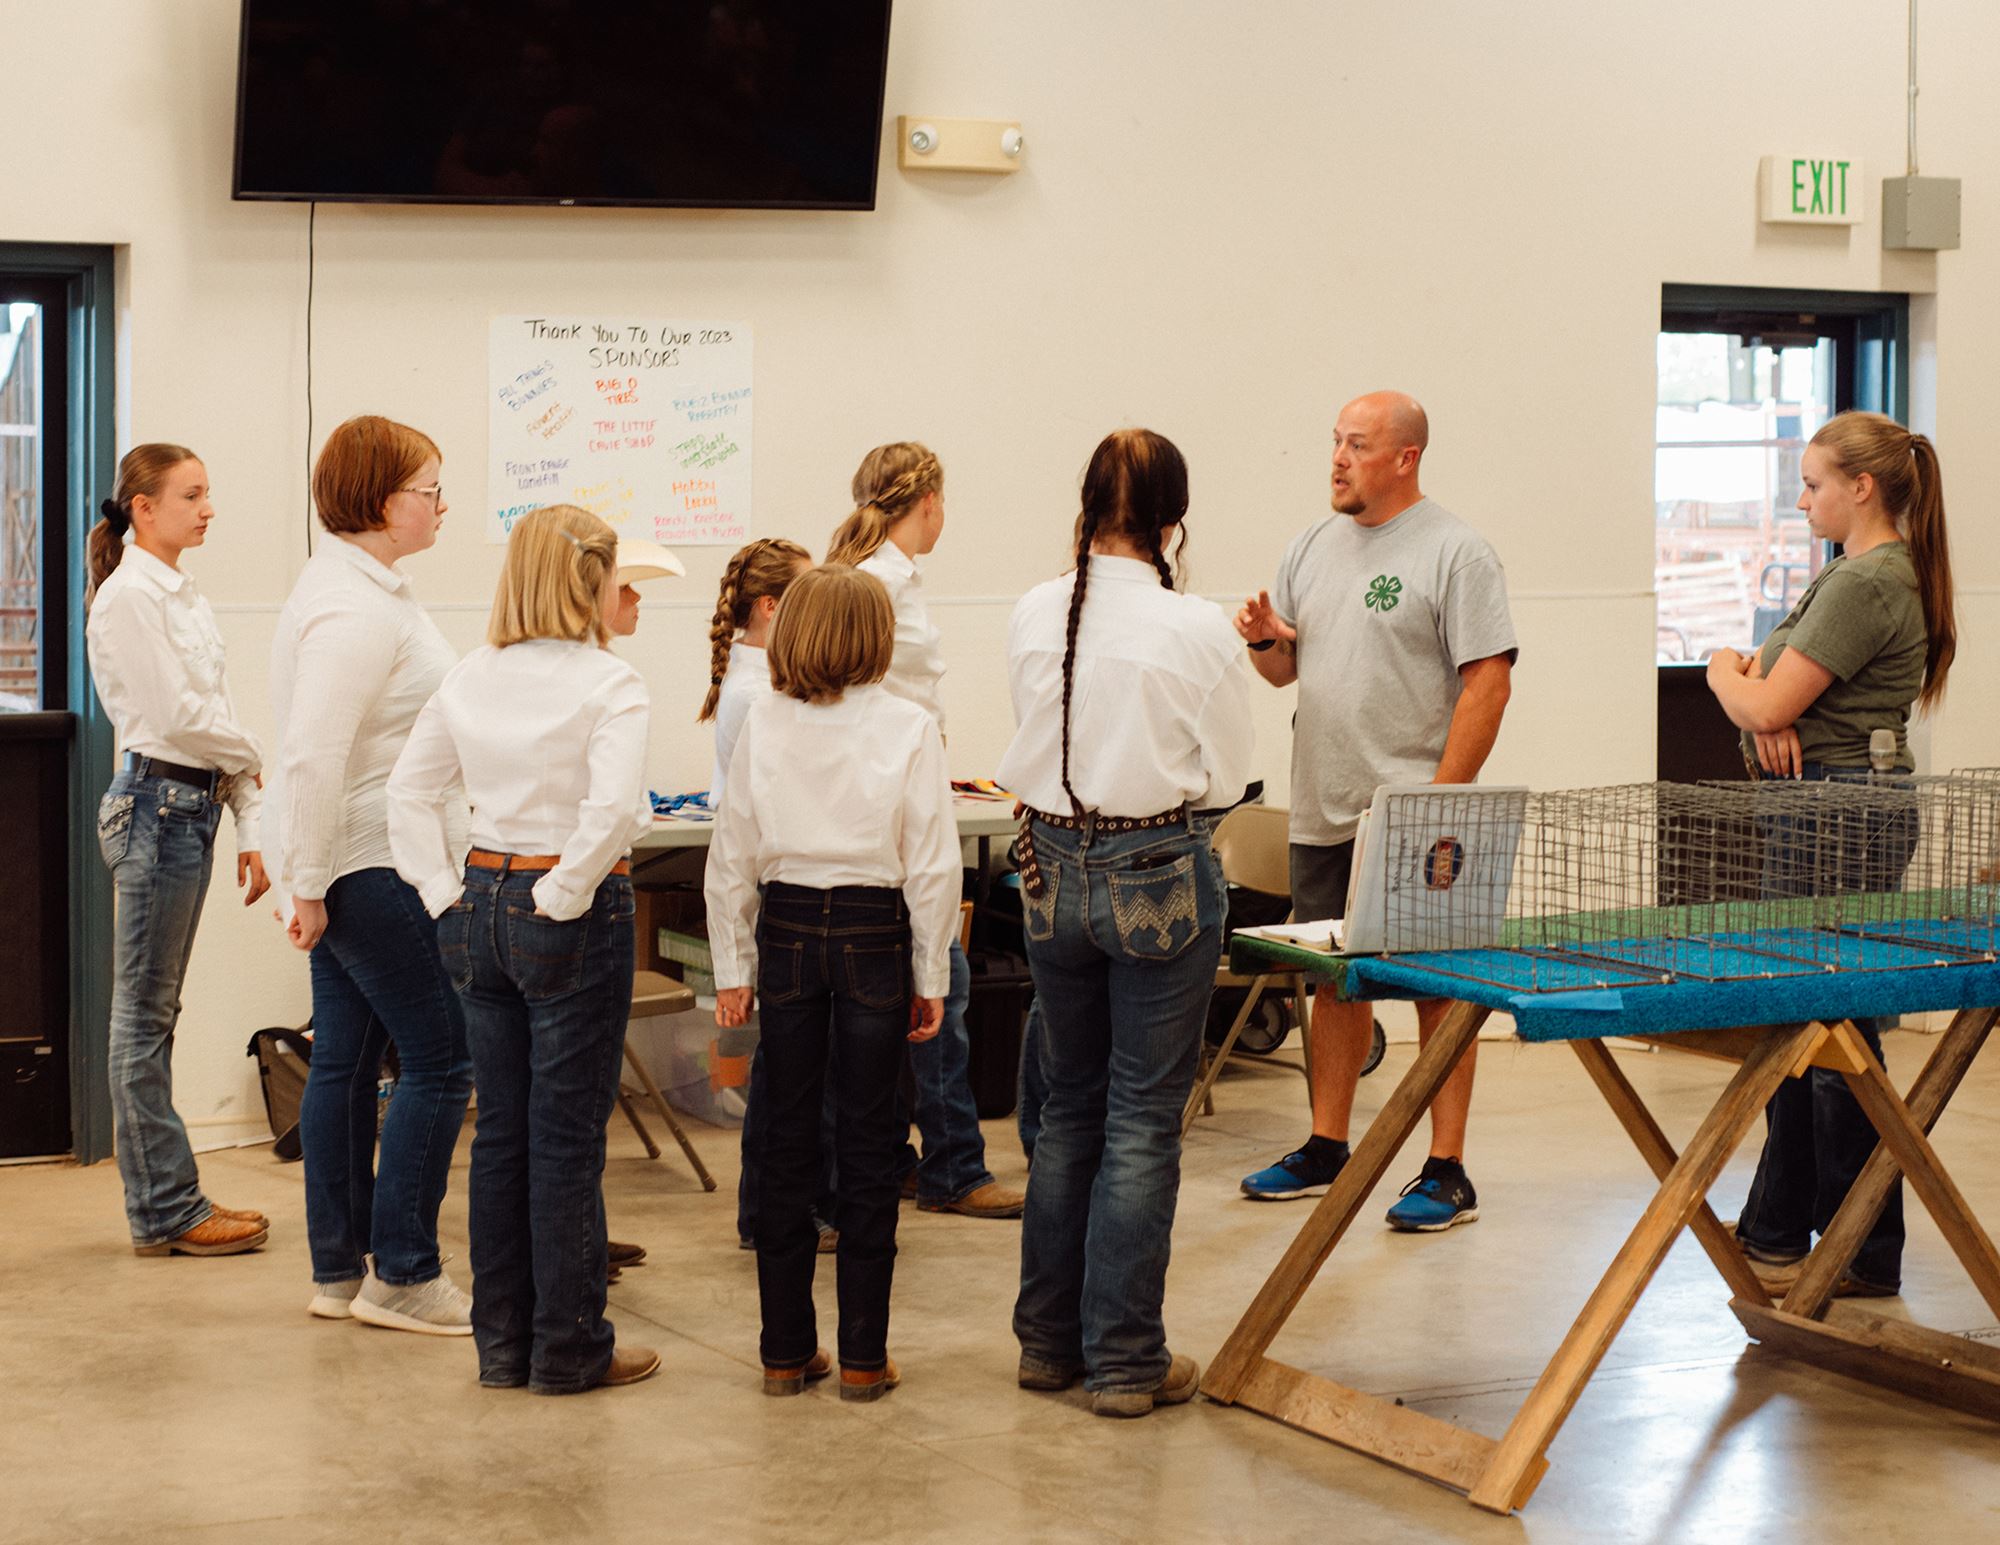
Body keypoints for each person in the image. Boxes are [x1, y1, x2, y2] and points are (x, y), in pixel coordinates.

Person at [999, 428, 1251, 1417]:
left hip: (1047, 869)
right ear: (1171, 519)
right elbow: (1226, 776)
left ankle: (1044, 1346)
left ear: (1085, 504)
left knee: (1066, 1112)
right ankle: (1123, 1360)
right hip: (1155, 870)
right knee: (1142, 1120)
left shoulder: (1031, 609)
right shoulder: (1195, 627)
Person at [387, 505, 658, 1394]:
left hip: (479, 902)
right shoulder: (609, 683)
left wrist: (441, 896)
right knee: (567, 1138)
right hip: (562, 909)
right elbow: (614, 812)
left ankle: (503, 1348)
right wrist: (563, 893)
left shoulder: (470, 674)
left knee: (502, 1134)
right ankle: (572, 1349)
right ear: (590, 581)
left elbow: (409, 794)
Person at [1236, 392, 1517, 1229]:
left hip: (1416, 816)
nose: (1337, 458)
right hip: (1324, 806)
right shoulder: (1311, 547)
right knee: (1335, 982)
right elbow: (1286, 672)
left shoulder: (1456, 552)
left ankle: (1447, 1166)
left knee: (1438, 984)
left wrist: (1441, 803)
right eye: (1334, 442)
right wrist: (1263, 639)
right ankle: (1328, 1144)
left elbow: (1489, 682)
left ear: (1405, 458)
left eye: (1357, 444)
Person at [1705, 410, 1955, 1298]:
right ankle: (1780, 1224)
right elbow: (1774, 694)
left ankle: (1859, 1244)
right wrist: (1764, 696)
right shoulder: (1846, 574)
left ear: (1863, 487)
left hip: (1839, 819)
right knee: (1800, 1019)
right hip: (1814, 808)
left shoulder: (1869, 582)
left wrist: (1720, 669)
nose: (1801, 498)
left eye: (1812, 483)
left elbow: (1763, 698)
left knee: (1837, 1028)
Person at [704, 564, 959, 1403]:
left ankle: (784, 1351)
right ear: (877, 638)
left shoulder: (765, 722)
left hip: (782, 934)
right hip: (873, 935)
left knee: (783, 1136)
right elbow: (931, 865)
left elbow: (729, 857)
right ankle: (860, 1356)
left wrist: (733, 970)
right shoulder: (908, 724)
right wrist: (931, 975)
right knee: (869, 1142)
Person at [272, 415, 475, 1332]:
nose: (441, 505)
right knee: (442, 1057)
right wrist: (305, 882)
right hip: (370, 862)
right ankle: (404, 1272)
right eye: (430, 488)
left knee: (347, 1064)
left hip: (351, 861)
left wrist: (308, 877)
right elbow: (315, 753)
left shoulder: (367, 590)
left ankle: (338, 1272)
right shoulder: (354, 605)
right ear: (386, 499)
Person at [827, 444, 1024, 1220]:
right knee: (943, 983)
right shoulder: (884, 583)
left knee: (928, 988)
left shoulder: (872, 575)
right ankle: (954, 1166)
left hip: (890, 804)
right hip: (898, 818)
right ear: (930, 501)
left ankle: (914, 1157)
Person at [84, 444, 271, 1258]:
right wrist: (263, 749)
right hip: (157, 807)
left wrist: (252, 824)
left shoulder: (182, 595)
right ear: (142, 507)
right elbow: (185, 718)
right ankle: (166, 1208)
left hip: (189, 808)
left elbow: (212, 720)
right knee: (142, 1021)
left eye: (209, 493)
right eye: (192, 495)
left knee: (151, 1018)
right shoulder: (130, 597)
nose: (208, 508)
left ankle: (167, 1202)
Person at [690, 537, 828, 1251]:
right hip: (775, 886)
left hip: (774, 879)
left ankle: (781, 1205)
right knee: (783, 1071)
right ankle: (771, 1211)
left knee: (790, 1066)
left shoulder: (761, 680)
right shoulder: (757, 692)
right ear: (773, 607)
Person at [593, 533, 687, 1284]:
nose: (637, 601)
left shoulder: (607, 673)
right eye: (627, 588)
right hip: (588, 891)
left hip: (574, 885)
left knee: (581, 1088)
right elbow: (615, 811)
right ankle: (574, 1241)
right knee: (578, 1088)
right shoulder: (607, 681)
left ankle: (581, 1229)